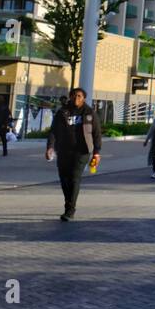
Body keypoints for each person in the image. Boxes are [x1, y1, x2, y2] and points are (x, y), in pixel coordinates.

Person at [45, 88, 103, 221]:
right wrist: (50, 147)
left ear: (84, 98)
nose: (76, 98)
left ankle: (70, 210)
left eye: (79, 96)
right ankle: (68, 203)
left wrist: (97, 153)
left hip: (82, 151)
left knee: (74, 178)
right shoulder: (62, 112)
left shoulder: (89, 113)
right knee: (64, 179)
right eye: (74, 96)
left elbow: (97, 134)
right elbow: (53, 131)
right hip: (64, 150)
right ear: (70, 97)